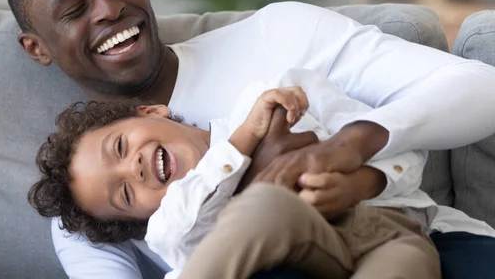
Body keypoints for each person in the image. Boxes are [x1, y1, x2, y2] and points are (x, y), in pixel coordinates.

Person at [6, 0, 495, 279]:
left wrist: (354, 148)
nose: (110, 9)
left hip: (422, 241)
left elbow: (482, 90)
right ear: (37, 48)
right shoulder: (85, 203)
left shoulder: (278, 46)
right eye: (74, 9)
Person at [30, 67, 491, 278]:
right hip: (288, 246)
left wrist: (361, 181)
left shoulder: (274, 94)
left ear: (152, 110)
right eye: (125, 194)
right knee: (264, 205)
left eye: (120, 147)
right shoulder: (179, 223)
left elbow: (399, 148)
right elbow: (174, 233)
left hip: (393, 232)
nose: (133, 170)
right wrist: (242, 142)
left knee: (407, 268)